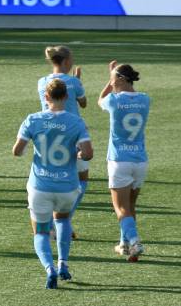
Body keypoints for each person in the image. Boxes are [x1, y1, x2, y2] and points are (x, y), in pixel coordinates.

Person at [13, 79, 93, 289]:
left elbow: (17, 151)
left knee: (40, 231)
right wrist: (77, 153)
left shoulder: (33, 120)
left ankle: (50, 269)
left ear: (45, 97)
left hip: (40, 186)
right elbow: (88, 154)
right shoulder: (76, 122)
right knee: (63, 220)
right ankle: (63, 263)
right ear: (66, 97)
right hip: (67, 186)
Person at [98, 61, 150, 262]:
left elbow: (100, 100)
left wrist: (109, 81)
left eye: (112, 78)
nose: (111, 82)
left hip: (119, 160)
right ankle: (124, 245)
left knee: (121, 208)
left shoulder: (113, 100)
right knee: (130, 206)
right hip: (140, 160)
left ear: (120, 79)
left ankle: (135, 242)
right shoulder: (145, 99)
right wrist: (114, 75)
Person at [38, 46, 88, 237]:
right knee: (81, 179)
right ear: (66, 61)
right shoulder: (73, 82)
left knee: (53, 179)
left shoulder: (42, 82)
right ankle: (62, 221)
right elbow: (83, 103)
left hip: (49, 137)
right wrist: (77, 82)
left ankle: (52, 224)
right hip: (72, 135)